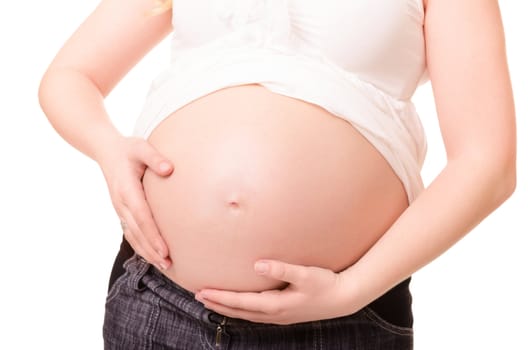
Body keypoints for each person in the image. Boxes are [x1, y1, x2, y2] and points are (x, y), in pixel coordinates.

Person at [38, 0, 516, 349]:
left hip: (342, 323)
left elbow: (487, 163)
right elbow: (71, 75)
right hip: (159, 302)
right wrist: (108, 149)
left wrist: (351, 291)